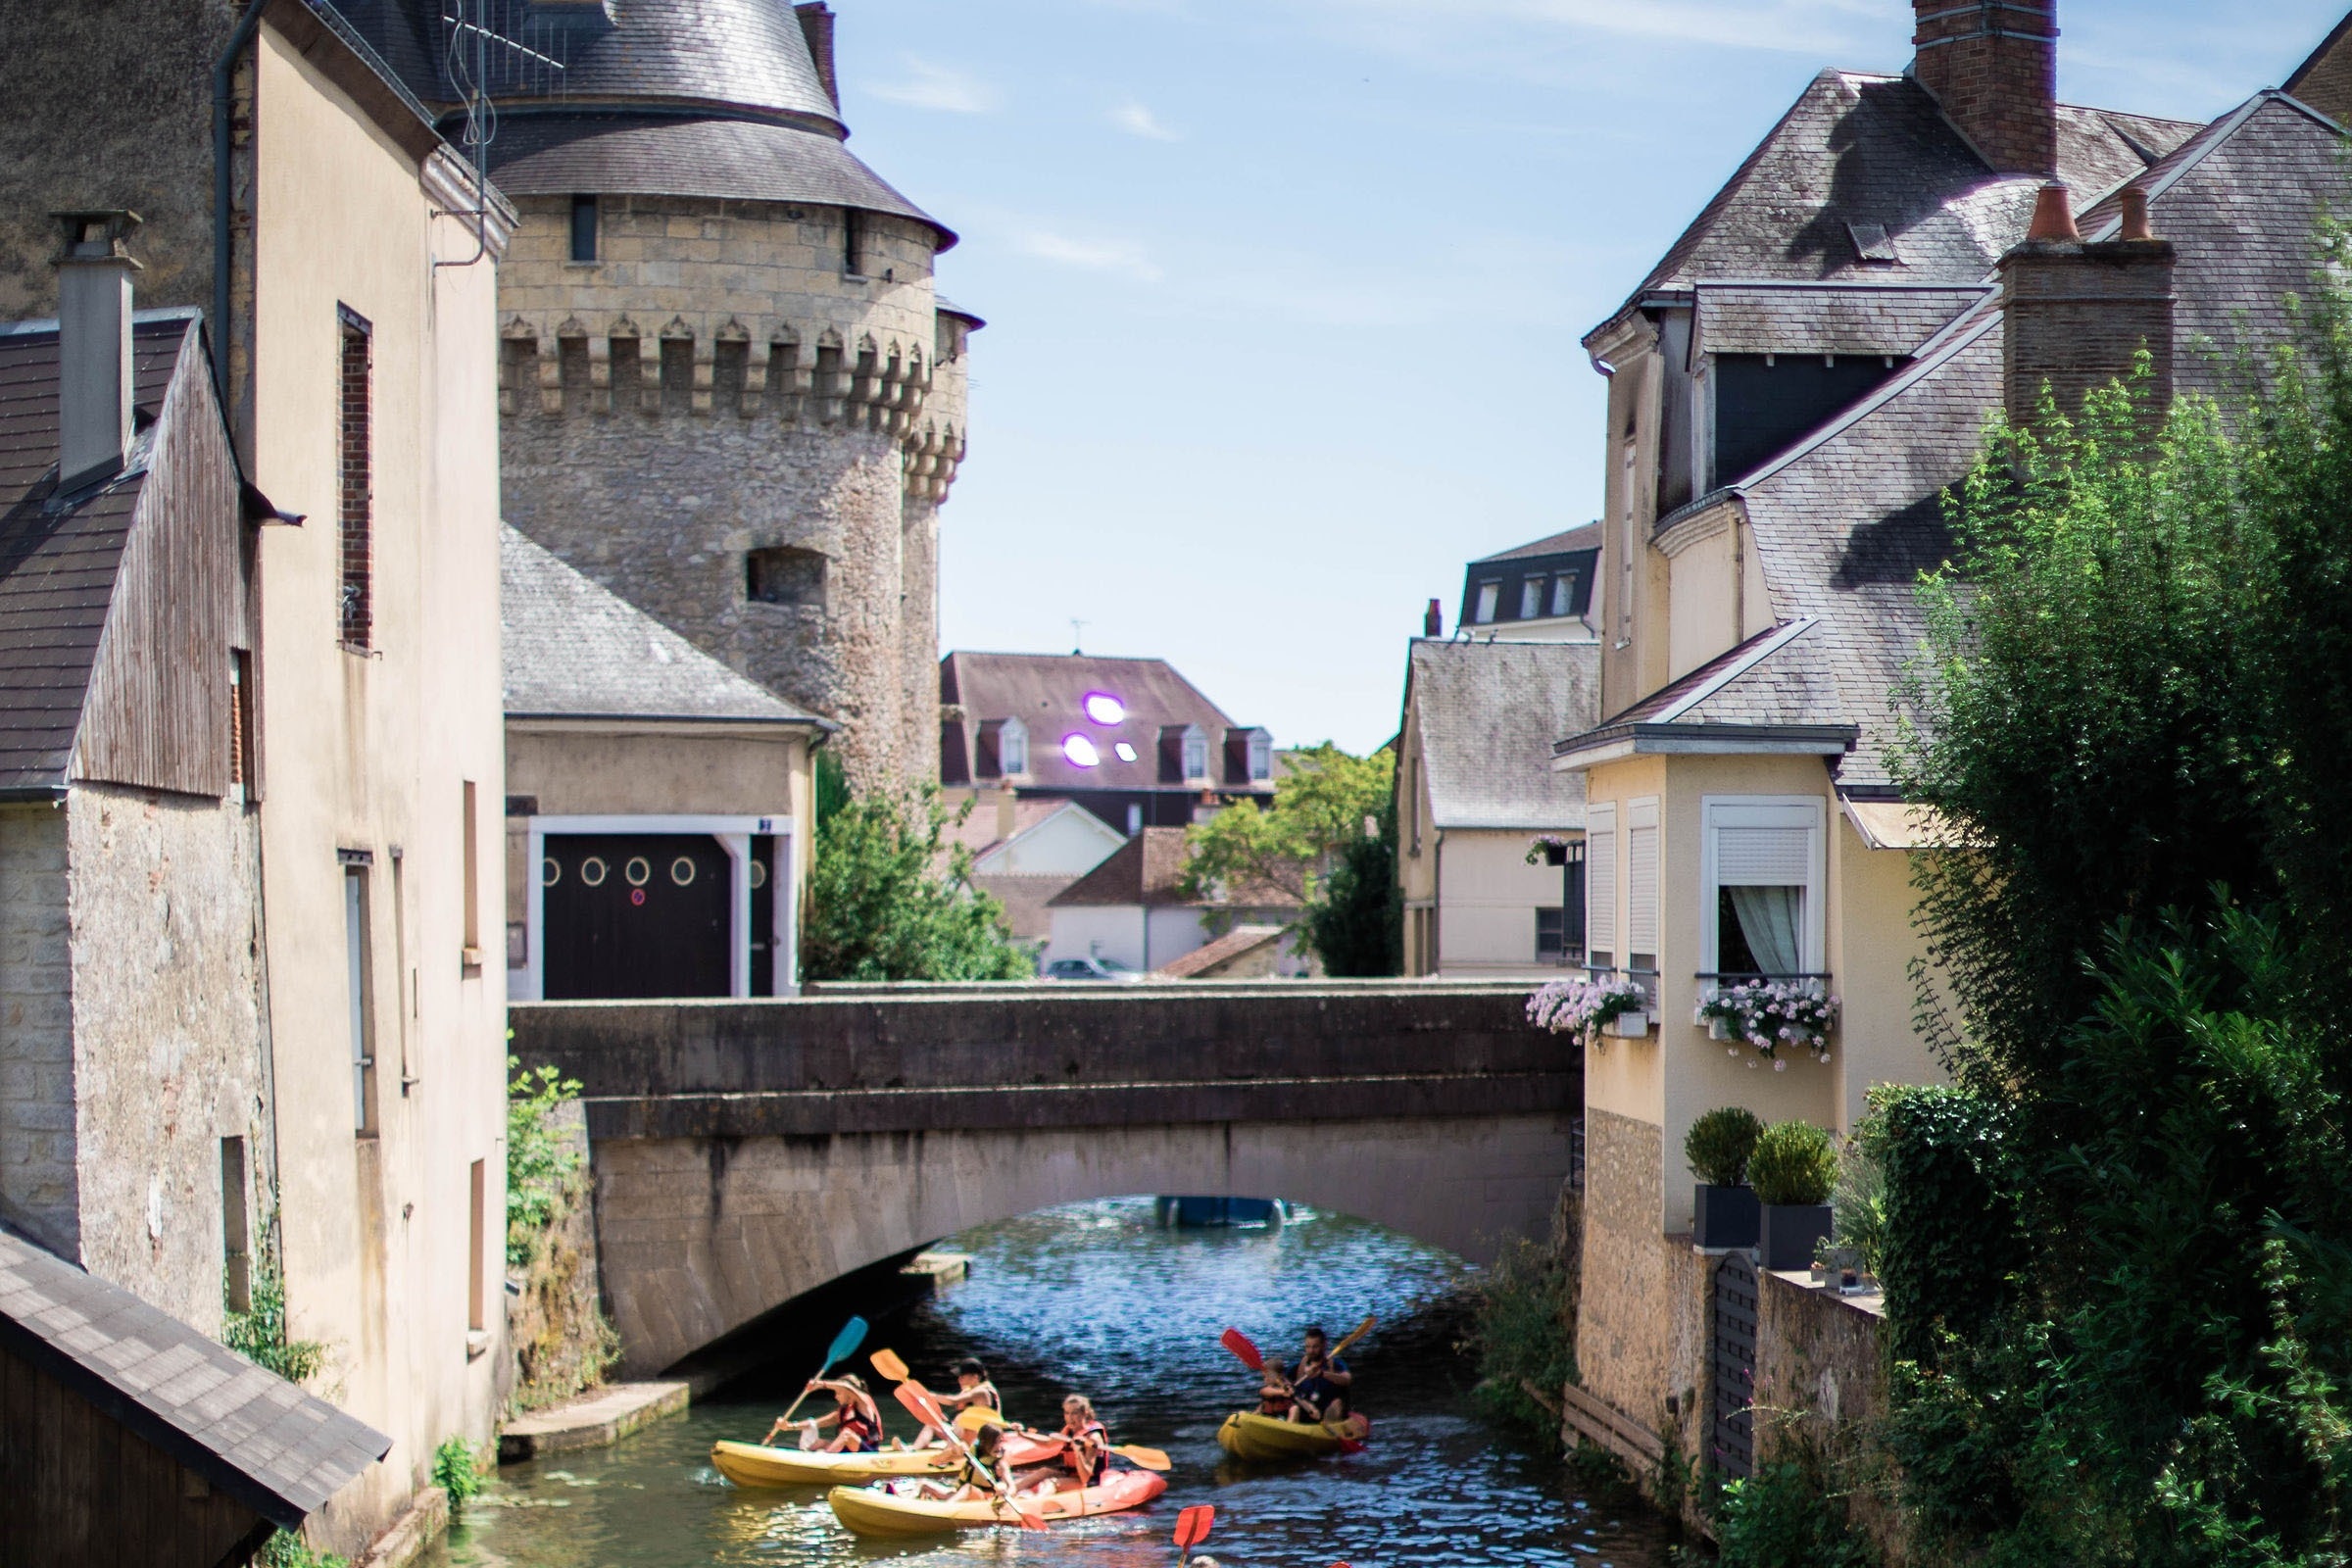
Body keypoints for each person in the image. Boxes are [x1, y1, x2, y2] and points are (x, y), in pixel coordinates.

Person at [1021, 1394, 1110, 1495]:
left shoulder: (1093, 1438)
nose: (1070, 1418)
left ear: (1084, 1413)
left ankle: (1035, 1503)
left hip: (1088, 1481)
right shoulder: (1069, 1430)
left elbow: (1086, 1477)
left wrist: (1078, 1451)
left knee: (1051, 1483)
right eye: (1067, 1413)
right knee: (1044, 1471)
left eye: (1074, 1413)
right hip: (1072, 1474)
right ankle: (1010, 1493)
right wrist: (1022, 1434)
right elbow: (1048, 1443)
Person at [769, 1374, 883, 1452]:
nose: (835, 1396)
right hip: (851, 1452)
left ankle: (823, 1459)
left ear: (848, 1393)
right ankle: (802, 1458)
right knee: (819, 1443)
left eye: (838, 1393)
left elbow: (847, 1386)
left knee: (846, 1434)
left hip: (868, 1452)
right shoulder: (843, 1411)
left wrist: (821, 1384)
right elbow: (814, 1423)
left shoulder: (865, 1403)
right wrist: (789, 1426)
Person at [911, 1357, 1004, 1449]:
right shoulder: (972, 1389)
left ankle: (943, 1452)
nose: (959, 1379)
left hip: (981, 1438)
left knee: (959, 1421)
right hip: (967, 1433)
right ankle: (913, 1450)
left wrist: (928, 1395)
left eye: (962, 1376)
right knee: (932, 1425)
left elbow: (952, 1401)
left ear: (975, 1376)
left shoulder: (981, 1392)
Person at [915, 1419, 1014, 1501]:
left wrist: (1004, 1492)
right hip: (958, 1494)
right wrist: (953, 1451)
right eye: (993, 1443)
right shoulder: (971, 1452)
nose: (998, 1447)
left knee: (968, 1487)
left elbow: (1012, 1488)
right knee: (923, 1483)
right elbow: (935, 1462)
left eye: (1000, 1442)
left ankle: (946, 1508)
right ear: (983, 1443)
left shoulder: (1000, 1463)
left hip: (982, 1499)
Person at [1286, 1325, 1353, 1425]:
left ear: (1324, 1345)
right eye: (1308, 1347)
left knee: (1337, 1403)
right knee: (1293, 1407)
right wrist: (1287, 1387)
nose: (1311, 1351)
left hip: (1328, 1409)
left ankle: (1328, 1429)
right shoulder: (1298, 1365)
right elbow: (1282, 1380)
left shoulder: (1336, 1364)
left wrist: (1322, 1374)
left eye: (1315, 1347)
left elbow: (1347, 1380)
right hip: (1308, 1409)